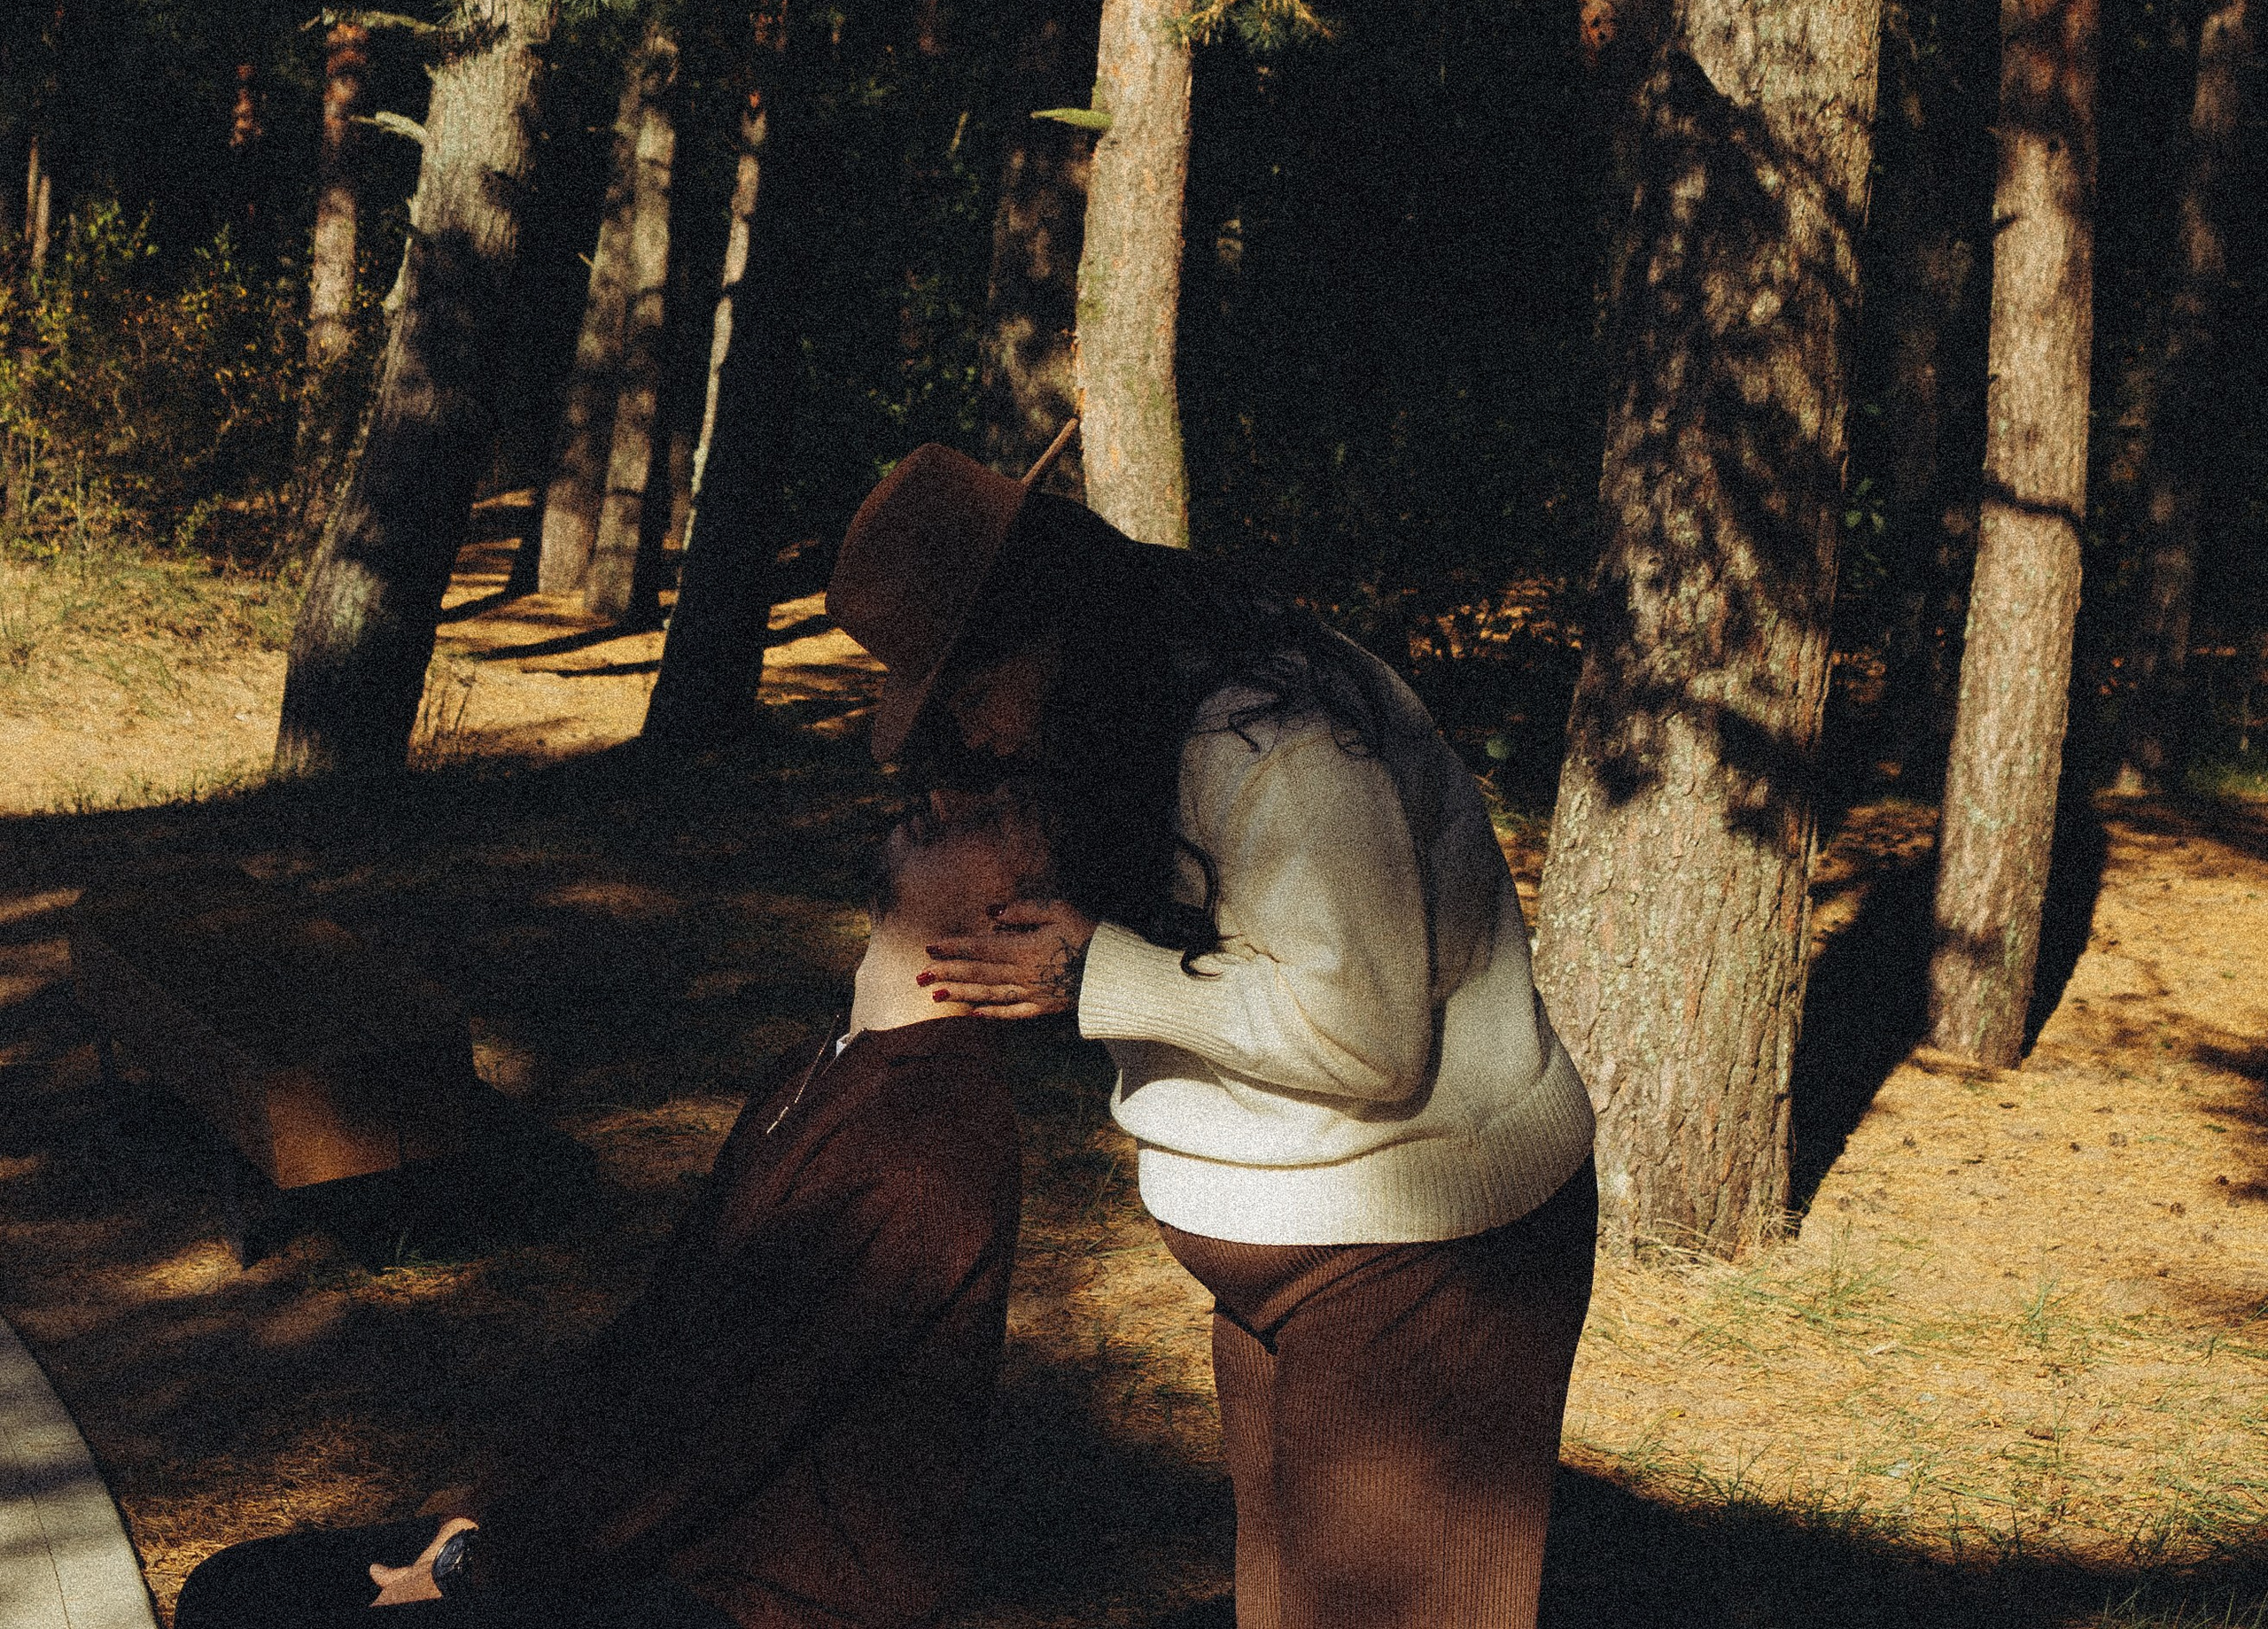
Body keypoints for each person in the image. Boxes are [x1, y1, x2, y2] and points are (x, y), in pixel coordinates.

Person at [828, 443, 1598, 1629]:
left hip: (1426, 1249)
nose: (968, 734)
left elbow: (1362, 1037)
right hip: (1298, 1254)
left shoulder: (1269, 743)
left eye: (967, 692)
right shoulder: (1132, 716)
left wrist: (1097, 972)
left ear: (1047, 631)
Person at [174, 791, 1047, 1629]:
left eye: (995, 817)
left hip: (753, 1594)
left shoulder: (927, 1139)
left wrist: (479, 1564)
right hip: (641, 1538)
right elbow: (657, 1342)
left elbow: (721, 1432)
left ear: (1022, 916)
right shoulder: (827, 1064)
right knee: (241, 1590)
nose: (939, 797)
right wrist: (485, 1507)